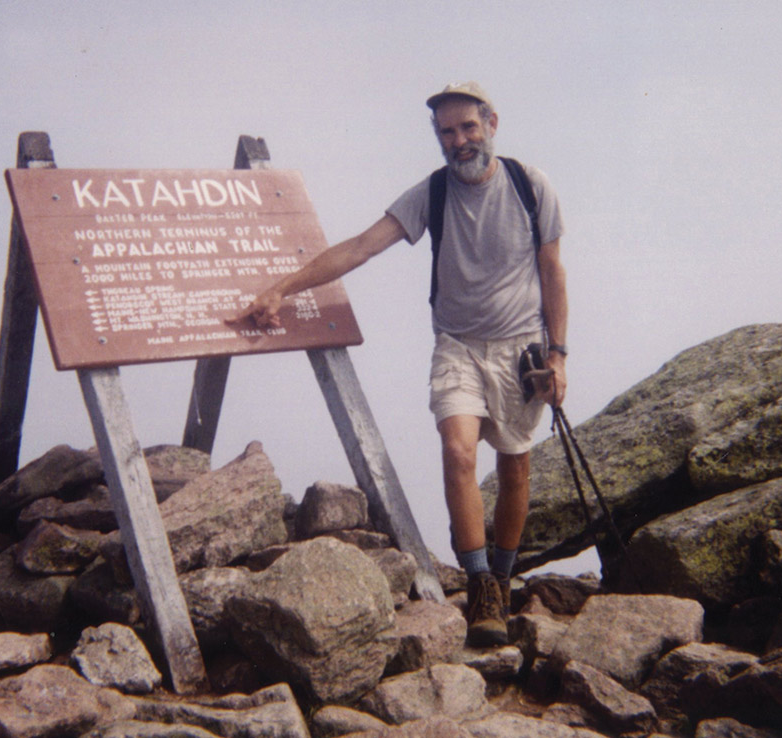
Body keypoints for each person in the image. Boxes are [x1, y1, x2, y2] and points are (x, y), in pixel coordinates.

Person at [232, 82, 567, 647]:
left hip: (520, 350)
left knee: (514, 469)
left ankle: (503, 577)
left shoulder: (530, 186)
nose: (458, 141)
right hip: (457, 345)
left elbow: (553, 271)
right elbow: (362, 245)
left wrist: (557, 355)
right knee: (458, 451)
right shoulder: (431, 194)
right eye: (446, 132)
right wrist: (282, 288)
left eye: (467, 128)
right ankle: (482, 585)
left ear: (491, 123)